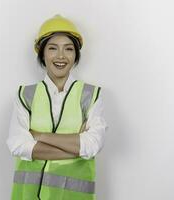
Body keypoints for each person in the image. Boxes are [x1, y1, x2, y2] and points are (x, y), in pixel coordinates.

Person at [6, 14, 108, 200]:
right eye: (53, 48)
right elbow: (18, 144)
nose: (61, 56)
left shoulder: (91, 95)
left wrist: (40, 136)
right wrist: (76, 147)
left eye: (68, 49)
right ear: (42, 54)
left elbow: (92, 145)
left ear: (76, 55)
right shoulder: (25, 95)